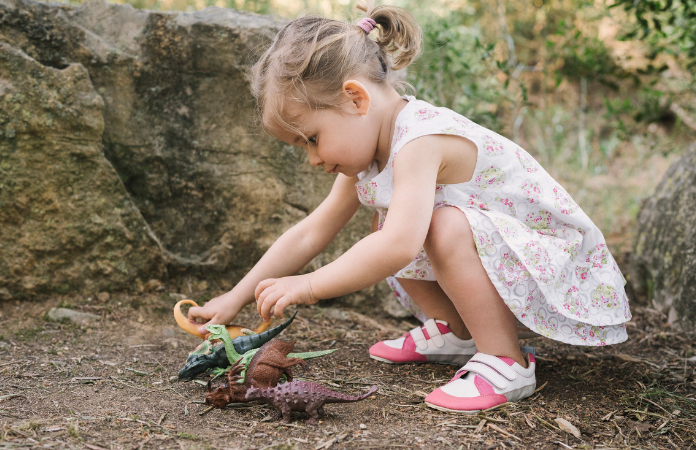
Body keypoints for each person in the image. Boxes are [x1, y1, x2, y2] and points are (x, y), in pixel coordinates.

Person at [187, 0, 631, 414]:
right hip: (502, 262)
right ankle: (456, 330)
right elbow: (310, 231)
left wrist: (310, 285)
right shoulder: (368, 159)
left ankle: (506, 361)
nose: (313, 159)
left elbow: (400, 246)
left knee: (429, 227)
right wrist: (236, 296)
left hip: (551, 261)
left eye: (313, 139)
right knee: (400, 224)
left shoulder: (421, 140)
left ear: (355, 98)